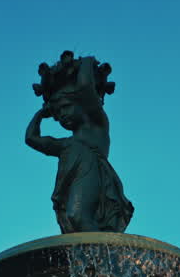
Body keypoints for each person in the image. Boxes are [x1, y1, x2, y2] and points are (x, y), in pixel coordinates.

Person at [25, 55, 134, 234]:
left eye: (66, 107)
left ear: (81, 103)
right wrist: (40, 114)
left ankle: (99, 257)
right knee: (72, 221)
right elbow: (31, 138)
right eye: (58, 113)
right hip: (74, 178)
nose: (62, 115)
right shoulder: (66, 145)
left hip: (91, 169)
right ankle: (92, 259)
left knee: (77, 215)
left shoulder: (97, 123)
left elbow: (84, 86)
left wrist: (88, 61)